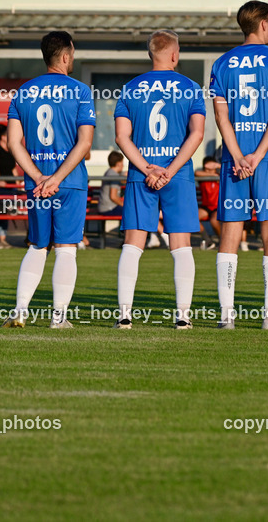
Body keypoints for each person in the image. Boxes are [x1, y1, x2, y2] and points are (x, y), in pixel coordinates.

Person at [209, 0, 268, 330]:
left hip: (235, 158)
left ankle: (227, 315)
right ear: (262, 24)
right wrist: (258, 155)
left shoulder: (222, 63)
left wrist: (238, 154)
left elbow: (222, 115)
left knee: (231, 232)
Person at [2, 31, 95, 329]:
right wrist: (57, 177)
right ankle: (59, 318)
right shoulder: (80, 91)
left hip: (37, 184)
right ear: (66, 56)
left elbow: (13, 143)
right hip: (69, 182)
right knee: (66, 248)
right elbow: (84, 144)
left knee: (37, 246)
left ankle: (20, 311)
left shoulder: (22, 92)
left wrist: (41, 177)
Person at [113, 30, 206, 329]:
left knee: (133, 244)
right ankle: (183, 316)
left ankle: (125, 316)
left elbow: (121, 137)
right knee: (181, 244)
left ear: (151, 54)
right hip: (177, 175)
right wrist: (170, 169)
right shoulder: (190, 87)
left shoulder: (129, 89)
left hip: (142, 175)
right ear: (175, 55)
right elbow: (197, 133)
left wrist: (146, 168)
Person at [196, 156, 221, 245]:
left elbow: (225, 172)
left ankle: (222, 240)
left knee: (214, 221)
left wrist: (217, 165)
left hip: (217, 207)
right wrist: (212, 174)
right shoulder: (203, 176)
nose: (209, 170)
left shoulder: (219, 177)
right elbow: (197, 173)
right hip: (206, 206)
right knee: (193, 218)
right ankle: (208, 240)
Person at [97, 151, 125, 218]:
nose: (123, 165)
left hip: (103, 207)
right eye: (122, 163)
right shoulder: (114, 175)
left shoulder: (109, 172)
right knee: (131, 212)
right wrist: (123, 204)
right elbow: (113, 197)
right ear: (118, 164)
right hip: (109, 208)